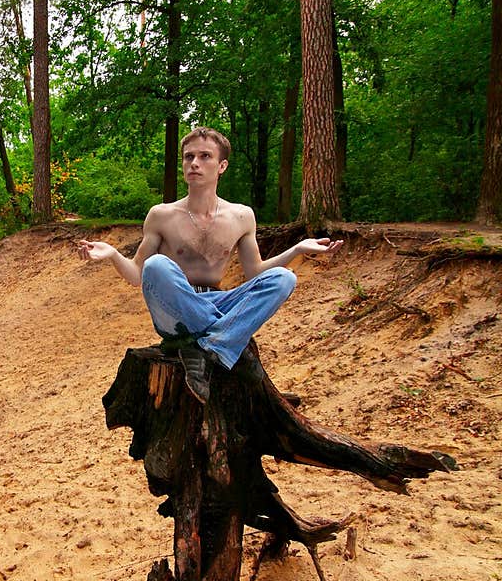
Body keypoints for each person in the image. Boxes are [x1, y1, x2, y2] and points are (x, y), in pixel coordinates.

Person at [76, 127, 342, 398]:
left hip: (219, 301)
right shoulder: (161, 215)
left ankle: (208, 347)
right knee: (156, 265)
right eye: (188, 157)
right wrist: (112, 254)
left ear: (222, 165)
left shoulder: (241, 216)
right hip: (174, 313)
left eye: (205, 156)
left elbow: (255, 274)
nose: (194, 163)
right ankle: (226, 342)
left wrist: (296, 249)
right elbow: (138, 275)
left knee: (284, 278)